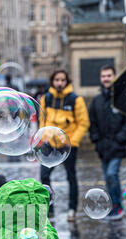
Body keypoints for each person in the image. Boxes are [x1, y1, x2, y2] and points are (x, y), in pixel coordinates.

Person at [39, 69, 90, 222]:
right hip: (49, 145)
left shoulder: (75, 99)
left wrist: (73, 141)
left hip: (68, 145)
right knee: (44, 176)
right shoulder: (46, 98)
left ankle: (72, 209)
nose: (59, 83)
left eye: (62, 80)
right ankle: (50, 210)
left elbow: (83, 123)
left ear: (67, 81)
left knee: (71, 177)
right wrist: (43, 136)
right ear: (52, 82)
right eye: (57, 80)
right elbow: (42, 119)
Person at [89, 64, 126, 220]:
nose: (106, 78)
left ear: (114, 77)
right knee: (108, 177)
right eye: (103, 76)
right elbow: (92, 122)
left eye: (109, 75)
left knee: (111, 174)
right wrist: (95, 139)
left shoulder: (122, 98)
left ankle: (117, 205)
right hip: (103, 146)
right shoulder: (96, 100)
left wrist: (121, 138)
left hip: (117, 146)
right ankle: (113, 205)